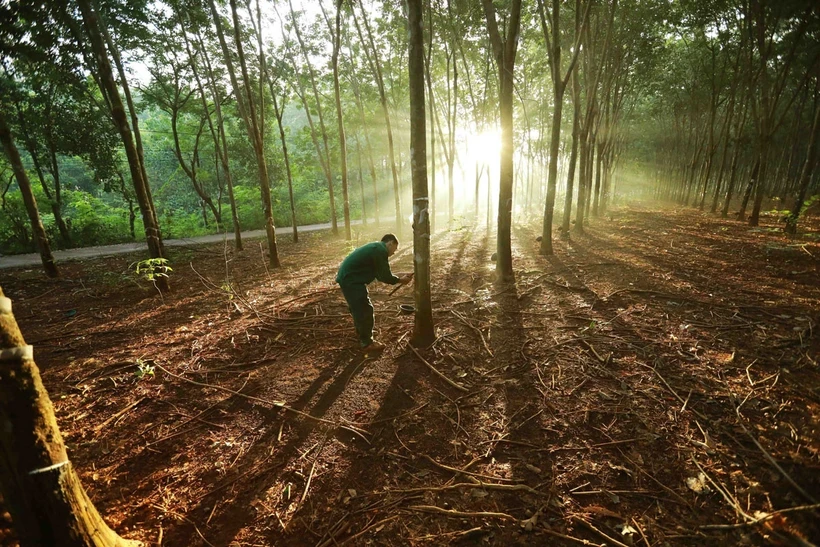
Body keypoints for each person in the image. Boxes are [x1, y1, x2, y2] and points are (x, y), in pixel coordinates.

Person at [336, 234, 412, 351]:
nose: (394, 253)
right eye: (395, 249)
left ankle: (363, 333)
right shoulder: (380, 250)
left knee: (357, 308)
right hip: (351, 280)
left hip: (348, 278)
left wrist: (401, 275)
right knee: (365, 309)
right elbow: (385, 276)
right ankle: (367, 343)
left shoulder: (375, 248)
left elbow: (381, 273)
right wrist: (401, 280)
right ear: (390, 243)